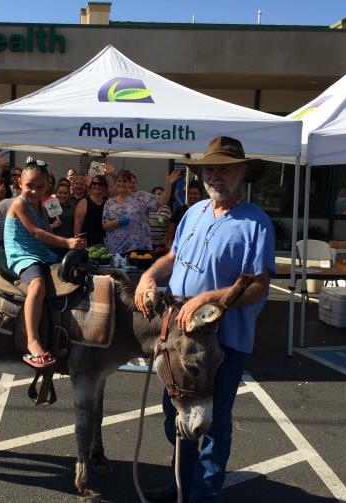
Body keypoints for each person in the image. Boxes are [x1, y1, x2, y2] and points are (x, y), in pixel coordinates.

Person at [135, 136, 274, 503]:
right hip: (178, 338)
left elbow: (259, 287)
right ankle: (181, 483)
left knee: (213, 424)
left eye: (224, 168)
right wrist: (150, 275)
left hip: (222, 341)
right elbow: (173, 258)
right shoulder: (194, 212)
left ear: (242, 172)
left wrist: (209, 297)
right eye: (210, 168)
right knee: (174, 416)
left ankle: (203, 495)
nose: (215, 175)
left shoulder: (256, 223)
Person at [4, 157, 85, 368]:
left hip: (41, 253)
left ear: (46, 187)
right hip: (22, 255)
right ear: (20, 184)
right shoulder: (19, 204)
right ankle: (32, 341)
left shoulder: (41, 206)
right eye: (30, 186)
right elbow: (37, 233)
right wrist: (67, 242)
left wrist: (73, 242)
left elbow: (48, 232)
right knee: (38, 284)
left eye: (39, 187)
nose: (34, 190)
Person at [102, 169, 159, 255]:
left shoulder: (140, 197)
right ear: (115, 183)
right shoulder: (109, 202)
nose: (121, 184)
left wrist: (169, 184)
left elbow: (161, 202)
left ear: (130, 183)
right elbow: (105, 225)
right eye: (119, 181)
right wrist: (117, 222)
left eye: (125, 181)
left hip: (139, 247)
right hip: (116, 248)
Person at [149, 170, 182, 250]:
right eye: (159, 194)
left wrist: (166, 239)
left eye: (163, 194)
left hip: (161, 244)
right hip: (148, 243)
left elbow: (169, 226)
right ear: (153, 195)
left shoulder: (166, 209)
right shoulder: (148, 208)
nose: (161, 196)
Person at [166, 180, 203, 248]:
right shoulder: (179, 210)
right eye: (190, 193)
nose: (192, 196)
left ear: (200, 196)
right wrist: (169, 241)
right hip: (180, 245)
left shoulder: (204, 211)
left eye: (195, 194)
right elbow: (172, 226)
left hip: (197, 245)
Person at [74, 174, 108, 247]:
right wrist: (79, 241)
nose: (97, 186)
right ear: (91, 186)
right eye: (94, 183)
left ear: (105, 187)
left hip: (107, 243)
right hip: (89, 244)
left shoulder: (109, 201)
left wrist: (112, 173)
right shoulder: (84, 202)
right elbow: (78, 224)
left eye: (100, 184)